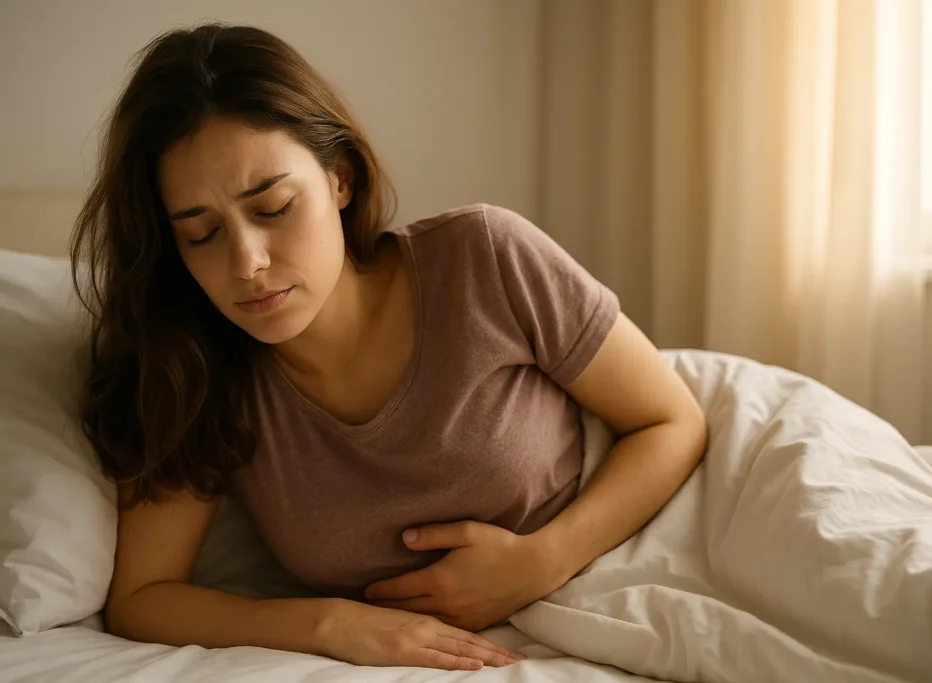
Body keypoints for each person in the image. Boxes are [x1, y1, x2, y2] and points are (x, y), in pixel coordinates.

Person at [70, 22, 707, 672]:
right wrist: (329, 623)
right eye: (202, 234)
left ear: (340, 180)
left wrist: (544, 559)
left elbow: (671, 420)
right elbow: (143, 598)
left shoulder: (484, 258)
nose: (247, 263)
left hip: (618, 580)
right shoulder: (194, 368)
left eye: (273, 208)